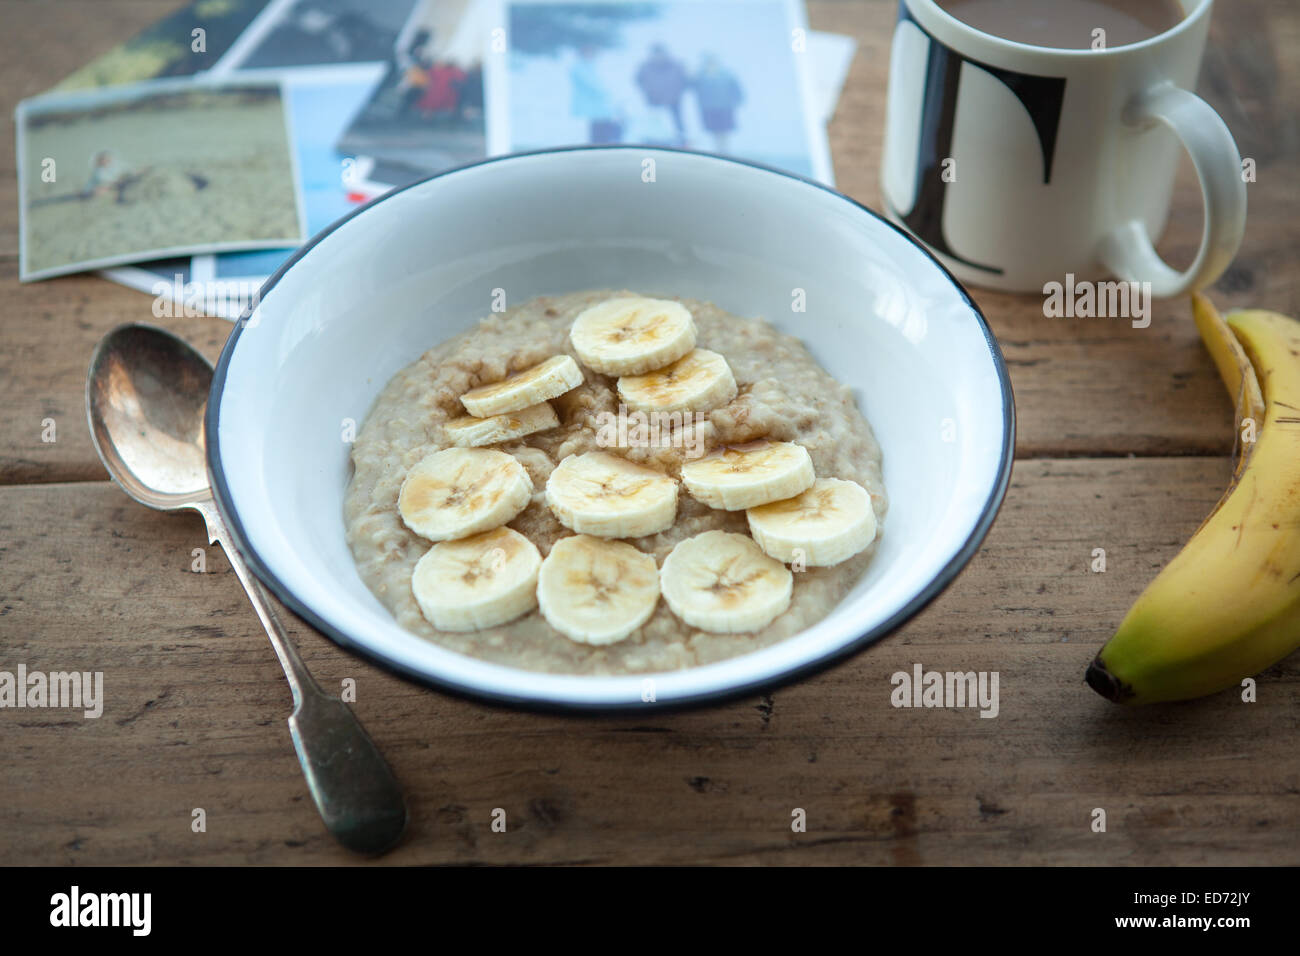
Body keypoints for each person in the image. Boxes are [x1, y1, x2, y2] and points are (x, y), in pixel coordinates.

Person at [635, 43, 688, 146]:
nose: (658, 56)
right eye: (656, 53)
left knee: (678, 126)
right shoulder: (645, 67)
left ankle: (683, 145)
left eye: (660, 53)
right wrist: (648, 91)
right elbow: (638, 80)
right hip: (654, 102)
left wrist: (676, 93)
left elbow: (684, 81)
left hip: (674, 101)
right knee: (656, 127)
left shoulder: (676, 65)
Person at [691, 54, 744, 153]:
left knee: (724, 132)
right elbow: (692, 86)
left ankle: (725, 151)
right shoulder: (701, 76)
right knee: (714, 132)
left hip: (725, 108)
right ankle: (718, 151)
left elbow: (736, 88)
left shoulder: (727, 75)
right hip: (709, 109)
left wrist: (737, 100)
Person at [570, 45, 621, 144]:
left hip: (600, 110)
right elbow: (593, 86)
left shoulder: (592, 66)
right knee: (597, 134)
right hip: (591, 109)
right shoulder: (579, 67)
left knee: (603, 132)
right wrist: (605, 92)